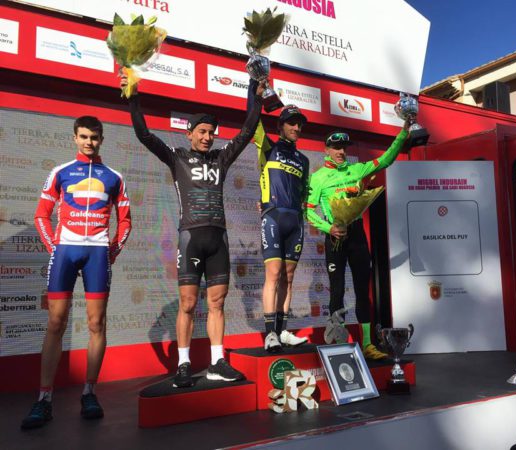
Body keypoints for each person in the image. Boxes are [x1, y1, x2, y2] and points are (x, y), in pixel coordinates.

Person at [121, 73, 264, 387]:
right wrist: (133, 97)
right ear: (189, 134)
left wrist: (255, 93)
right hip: (191, 239)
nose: (207, 137)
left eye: (211, 132)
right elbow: (144, 135)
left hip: (218, 240)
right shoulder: (176, 157)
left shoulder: (221, 158)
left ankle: (217, 362)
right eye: (202, 132)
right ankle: (183, 364)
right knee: (187, 304)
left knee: (217, 304)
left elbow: (247, 131)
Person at [21, 116, 132, 430]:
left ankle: (89, 393)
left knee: (97, 323)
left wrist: (112, 250)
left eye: (94, 137)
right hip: (65, 251)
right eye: (83, 137)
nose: (89, 142)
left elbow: (125, 220)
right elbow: (41, 215)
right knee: (56, 323)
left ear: (101, 139)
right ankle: (44, 398)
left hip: (97, 253)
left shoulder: (114, 177)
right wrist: (54, 247)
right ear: (75, 138)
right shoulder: (61, 172)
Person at [305, 124, 410, 359]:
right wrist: (328, 228)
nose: (341, 151)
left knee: (363, 290)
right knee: (337, 291)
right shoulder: (318, 177)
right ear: (326, 150)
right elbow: (308, 211)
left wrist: (403, 133)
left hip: (357, 235)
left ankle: (368, 344)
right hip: (335, 236)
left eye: (344, 147)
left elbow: (385, 160)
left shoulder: (357, 169)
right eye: (336, 147)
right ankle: (339, 343)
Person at [247, 79, 310, 352]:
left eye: (299, 124)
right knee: (273, 274)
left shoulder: (304, 160)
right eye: (291, 123)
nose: (296, 128)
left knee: (289, 276)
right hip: (273, 217)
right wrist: (254, 90)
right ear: (280, 125)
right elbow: (252, 122)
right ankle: (269, 333)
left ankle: (282, 331)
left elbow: (304, 194)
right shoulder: (267, 147)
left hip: (295, 221)